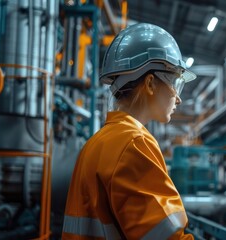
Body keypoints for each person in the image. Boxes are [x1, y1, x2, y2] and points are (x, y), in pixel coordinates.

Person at [62, 23, 196, 240]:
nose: (178, 98)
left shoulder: (96, 143)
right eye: (176, 83)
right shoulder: (133, 143)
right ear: (151, 83)